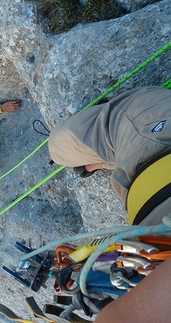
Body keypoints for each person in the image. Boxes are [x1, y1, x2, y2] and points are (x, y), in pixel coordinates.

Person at [48, 86, 171, 322]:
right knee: (60, 145)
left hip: (152, 140)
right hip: (152, 138)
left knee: (57, 147)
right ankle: (99, 153)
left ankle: (98, 157)